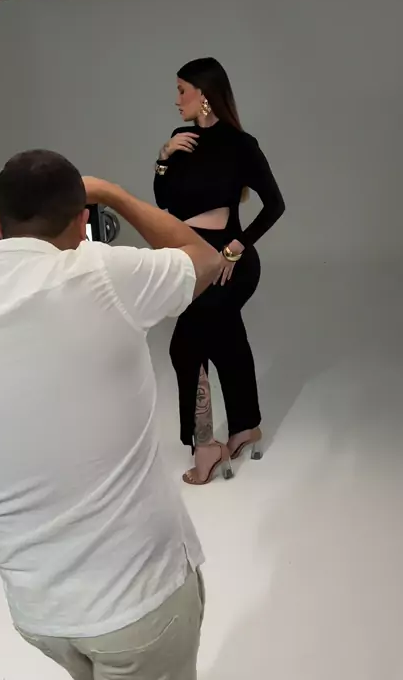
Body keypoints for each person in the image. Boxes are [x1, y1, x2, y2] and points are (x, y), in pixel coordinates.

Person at [0, 150, 222, 680]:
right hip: (136, 604)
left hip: (38, 612)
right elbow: (205, 259)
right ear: (81, 220)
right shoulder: (103, 273)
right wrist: (114, 193)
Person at [154, 58, 285, 485]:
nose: (176, 100)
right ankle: (246, 427)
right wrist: (163, 158)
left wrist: (236, 246)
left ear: (204, 92)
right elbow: (165, 202)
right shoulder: (182, 139)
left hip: (229, 263)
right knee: (227, 339)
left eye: (182, 90)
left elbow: (275, 204)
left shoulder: (240, 145)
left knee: (185, 346)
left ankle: (205, 446)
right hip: (192, 260)